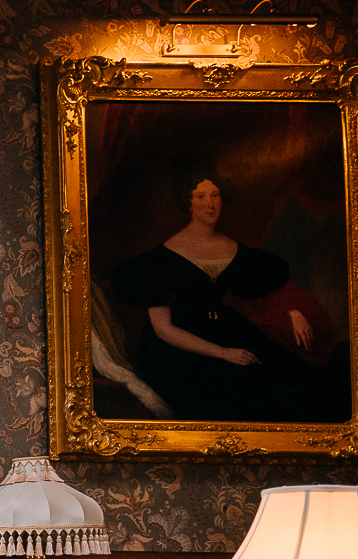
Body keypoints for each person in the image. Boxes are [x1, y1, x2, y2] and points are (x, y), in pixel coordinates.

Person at [110, 153, 344, 423]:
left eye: (215, 195)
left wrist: (292, 311)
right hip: (177, 352)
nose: (210, 205)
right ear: (188, 202)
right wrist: (223, 353)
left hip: (226, 330)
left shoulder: (235, 249)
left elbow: (260, 294)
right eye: (201, 196)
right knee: (235, 399)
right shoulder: (159, 260)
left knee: (299, 388)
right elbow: (164, 330)